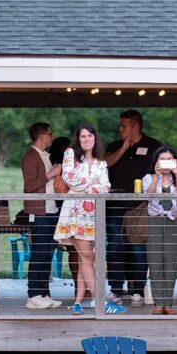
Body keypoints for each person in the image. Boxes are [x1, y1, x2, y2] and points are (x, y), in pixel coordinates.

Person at [54, 124, 125, 315]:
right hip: (75, 214)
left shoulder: (101, 164)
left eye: (89, 136)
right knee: (87, 256)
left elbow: (106, 188)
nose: (86, 139)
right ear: (78, 139)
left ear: (95, 138)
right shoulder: (71, 155)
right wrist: (92, 185)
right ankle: (100, 301)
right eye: (82, 136)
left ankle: (78, 301)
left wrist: (86, 187)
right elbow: (69, 178)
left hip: (93, 215)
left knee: (86, 258)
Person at [104, 110, 162, 308]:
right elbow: (103, 165)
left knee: (138, 248)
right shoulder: (114, 146)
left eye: (124, 126)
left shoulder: (154, 146)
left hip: (140, 207)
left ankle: (138, 290)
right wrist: (122, 149)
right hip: (115, 205)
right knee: (115, 247)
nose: (120, 129)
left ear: (135, 126)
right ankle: (116, 289)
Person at [21, 122, 62, 310]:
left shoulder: (45, 156)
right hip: (39, 211)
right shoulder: (30, 157)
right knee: (39, 253)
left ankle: (44, 293)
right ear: (41, 136)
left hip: (51, 210)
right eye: (50, 134)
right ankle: (33, 294)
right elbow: (29, 186)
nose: (52, 137)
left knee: (47, 254)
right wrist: (51, 174)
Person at [143, 145, 177, 315]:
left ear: (175, 161)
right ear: (156, 161)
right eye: (162, 159)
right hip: (154, 222)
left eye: (169, 159)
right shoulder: (148, 177)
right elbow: (149, 195)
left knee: (171, 263)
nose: (166, 163)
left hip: (173, 222)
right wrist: (156, 177)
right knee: (155, 263)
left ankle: (168, 303)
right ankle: (158, 303)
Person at [49, 135, 84, 300]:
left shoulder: (57, 166)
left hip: (58, 212)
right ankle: (79, 288)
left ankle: (80, 288)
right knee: (76, 251)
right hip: (66, 212)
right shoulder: (61, 168)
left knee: (73, 251)